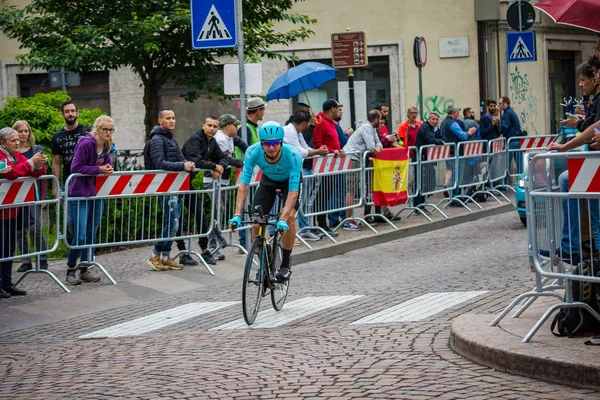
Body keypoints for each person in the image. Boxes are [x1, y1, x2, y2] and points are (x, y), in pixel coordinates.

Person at [228, 121, 302, 281]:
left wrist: (282, 219)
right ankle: (264, 264)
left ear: (281, 142)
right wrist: (237, 214)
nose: (271, 147)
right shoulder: (252, 152)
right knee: (256, 224)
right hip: (268, 182)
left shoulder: (293, 154)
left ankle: (285, 264)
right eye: (267, 144)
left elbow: (293, 192)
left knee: (288, 218)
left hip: (289, 184)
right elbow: (243, 186)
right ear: (261, 143)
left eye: (275, 143)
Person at [64, 116, 115, 285]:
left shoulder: (107, 145)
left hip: (96, 192)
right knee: (80, 234)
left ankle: (85, 268)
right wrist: (98, 169)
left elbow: (105, 164)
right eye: (105, 129)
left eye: (111, 130)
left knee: (92, 232)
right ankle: (70, 269)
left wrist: (107, 169)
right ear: (97, 129)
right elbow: (76, 168)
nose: (108, 133)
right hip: (79, 192)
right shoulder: (86, 143)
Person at [146, 109, 196, 271]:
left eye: (174, 118)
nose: (172, 121)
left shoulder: (170, 139)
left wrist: (188, 164)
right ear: (160, 121)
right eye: (168, 118)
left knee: (173, 222)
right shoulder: (157, 140)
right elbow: (160, 163)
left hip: (175, 187)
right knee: (172, 223)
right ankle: (155, 255)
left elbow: (179, 159)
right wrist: (183, 165)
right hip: (165, 187)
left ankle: (166, 257)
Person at [0, 127, 47, 297]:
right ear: (3, 143)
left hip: (13, 210)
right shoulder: (1, 156)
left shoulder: (16, 155)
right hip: (1, 211)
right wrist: (30, 163)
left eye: (18, 140)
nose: (17, 142)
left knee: (9, 248)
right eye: (13, 140)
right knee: (1, 248)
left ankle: (6, 282)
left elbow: (38, 173)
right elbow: (11, 173)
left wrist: (38, 165)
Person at [178, 116, 229, 266]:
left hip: (187, 183)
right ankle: (182, 252)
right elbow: (196, 160)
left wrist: (221, 167)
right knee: (178, 220)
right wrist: (214, 166)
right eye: (209, 125)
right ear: (203, 126)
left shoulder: (212, 142)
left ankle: (204, 250)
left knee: (201, 214)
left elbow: (222, 157)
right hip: (176, 183)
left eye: (215, 126)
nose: (212, 128)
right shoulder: (196, 139)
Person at [283, 110, 328, 241]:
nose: (309, 126)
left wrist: (318, 150)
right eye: (308, 123)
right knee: (288, 203)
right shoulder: (289, 131)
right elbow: (300, 152)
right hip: (286, 172)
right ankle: (279, 232)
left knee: (299, 201)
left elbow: (305, 146)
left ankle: (303, 229)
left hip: (293, 171)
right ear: (303, 123)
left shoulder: (296, 131)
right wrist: (317, 151)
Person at [208, 114, 248, 259]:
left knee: (218, 214)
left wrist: (250, 153)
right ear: (228, 127)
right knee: (215, 214)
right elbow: (227, 159)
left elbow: (242, 144)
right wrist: (244, 163)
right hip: (213, 182)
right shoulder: (220, 139)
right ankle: (212, 247)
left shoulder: (229, 137)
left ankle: (216, 244)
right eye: (235, 126)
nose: (238, 128)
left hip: (221, 182)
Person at [13, 120, 49, 272]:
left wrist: (44, 196)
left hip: (33, 195)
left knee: (36, 228)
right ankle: (26, 260)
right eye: (20, 131)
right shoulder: (12, 151)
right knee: (20, 230)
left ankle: (42, 259)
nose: (23, 134)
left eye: (26, 131)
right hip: (16, 196)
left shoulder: (36, 150)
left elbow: (43, 176)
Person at [342, 110, 383, 230]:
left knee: (352, 189)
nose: (380, 122)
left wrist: (378, 147)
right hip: (352, 158)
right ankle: (348, 221)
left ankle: (350, 219)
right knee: (351, 190)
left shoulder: (372, 128)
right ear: (376, 119)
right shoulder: (366, 127)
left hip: (357, 159)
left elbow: (378, 143)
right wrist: (376, 148)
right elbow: (371, 147)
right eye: (379, 119)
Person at [312, 99, 345, 237]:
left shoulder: (331, 123)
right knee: (321, 195)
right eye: (337, 108)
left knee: (327, 194)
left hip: (331, 164)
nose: (339, 111)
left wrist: (339, 149)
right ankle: (321, 223)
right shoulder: (321, 123)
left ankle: (323, 224)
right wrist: (333, 150)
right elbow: (318, 143)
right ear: (332, 109)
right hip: (323, 165)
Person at [237, 97, 267, 252]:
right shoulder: (246, 129)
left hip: (256, 173)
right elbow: (247, 151)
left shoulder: (254, 127)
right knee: (246, 206)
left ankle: (250, 239)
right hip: (247, 172)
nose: (264, 113)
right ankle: (244, 241)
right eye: (263, 110)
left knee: (254, 206)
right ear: (258, 110)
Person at [440, 103, 477, 203]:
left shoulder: (443, 122)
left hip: (448, 152)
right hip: (455, 152)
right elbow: (463, 136)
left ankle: (454, 196)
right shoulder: (453, 123)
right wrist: (470, 132)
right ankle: (455, 197)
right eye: (458, 112)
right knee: (457, 176)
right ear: (455, 112)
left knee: (452, 173)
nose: (459, 114)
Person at [51, 101, 89, 198]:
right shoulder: (57, 136)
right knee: (69, 213)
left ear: (77, 113)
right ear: (62, 114)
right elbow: (56, 163)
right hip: (68, 182)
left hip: (88, 180)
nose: (70, 114)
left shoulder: (87, 131)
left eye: (72, 111)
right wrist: (55, 186)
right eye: (67, 111)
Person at [414, 112, 444, 211]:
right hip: (421, 158)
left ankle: (423, 202)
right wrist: (439, 141)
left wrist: (439, 140)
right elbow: (431, 139)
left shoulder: (435, 128)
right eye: (433, 119)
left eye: (436, 119)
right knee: (422, 182)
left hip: (429, 158)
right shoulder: (425, 127)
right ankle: (419, 205)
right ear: (429, 119)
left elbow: (441, 137)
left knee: (430, 183)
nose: (435, 121)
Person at [497, 96, 522, 178]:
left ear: (505, 103)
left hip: (510, 141)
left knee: (506, 164)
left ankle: (504, 183)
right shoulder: (512, 112)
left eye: (500, 103)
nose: (499, 105)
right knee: (519, 163)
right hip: (517, 140)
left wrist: (498, 130)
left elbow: (504, 126)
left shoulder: (506, 114)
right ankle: (521, 181)